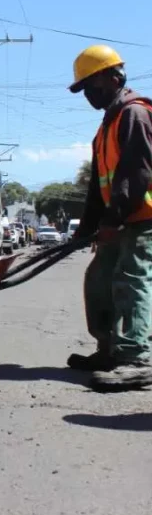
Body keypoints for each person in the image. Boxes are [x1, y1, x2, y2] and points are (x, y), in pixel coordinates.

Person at [67, 45, 152, 391]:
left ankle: (136, 359)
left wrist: (114, 219)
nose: (88, 94)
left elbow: (136, 173)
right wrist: (85, 230)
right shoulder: (106, 127)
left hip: (142, 216)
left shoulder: (134, 114)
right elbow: (96, 188)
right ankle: (110, 349)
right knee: (98, 280)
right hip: (120, 218)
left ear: (112, 77)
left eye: (91, 85)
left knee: (130, 280)